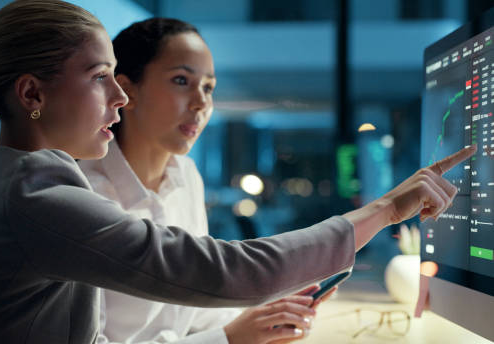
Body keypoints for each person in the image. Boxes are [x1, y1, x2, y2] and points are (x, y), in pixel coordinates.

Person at [0, 1, 475, 343]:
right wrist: (383, 210)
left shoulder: (21, 178)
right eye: (99, 78)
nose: (118, 97)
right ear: (32, 92)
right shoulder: (33, 195)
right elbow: (221, 271)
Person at [78, 18, 334, 344]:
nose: (201, 103)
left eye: (209, 87)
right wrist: (229, 338)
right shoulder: (85, 195)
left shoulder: (186, 177)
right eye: (182, 80)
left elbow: (190, 304)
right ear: (127, 90)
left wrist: (262, 316)